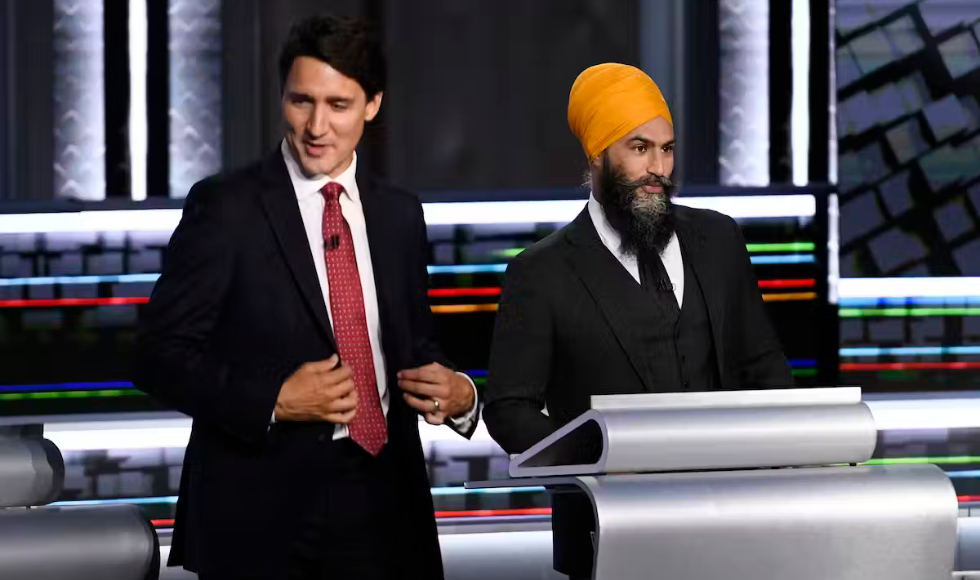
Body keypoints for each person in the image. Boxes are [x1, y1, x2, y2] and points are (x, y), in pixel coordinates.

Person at [135, 14, 479, 580]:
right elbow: (157, 355)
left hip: (386, 503)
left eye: (338, 105)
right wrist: (273, 398)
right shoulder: (225, 207)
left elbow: (415, 348)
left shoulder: (399, 214)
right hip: (261, 512)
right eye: (301, 102)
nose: (317, 125)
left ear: (372, 105)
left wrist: (460, 395)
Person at [483, 63, 793, 579]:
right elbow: (509, 410)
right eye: (639, 148)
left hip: (733, 525)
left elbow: (763, 366)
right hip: (608, 535)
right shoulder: (541, 272)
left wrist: (793, 462)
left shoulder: (720, 241)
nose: (658, 168)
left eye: (666, 149)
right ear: (597, 156)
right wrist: (597, 458)